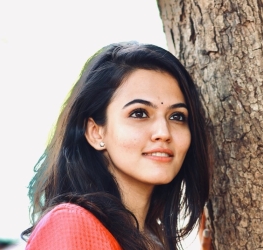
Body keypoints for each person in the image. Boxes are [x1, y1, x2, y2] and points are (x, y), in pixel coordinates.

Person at [22, 42, 211, 249]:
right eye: (139, 113)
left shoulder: (155, 241)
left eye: (177, 116)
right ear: (95, 132)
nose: (164, 133)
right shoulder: (71, 223)